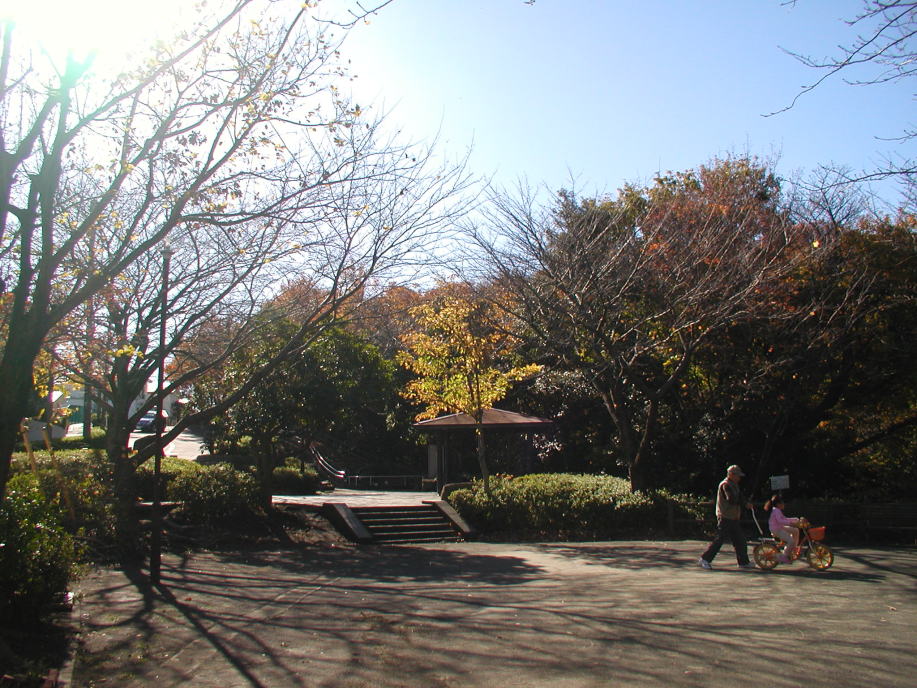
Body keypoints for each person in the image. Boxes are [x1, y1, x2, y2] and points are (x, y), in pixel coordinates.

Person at [698, 465, 755, 570]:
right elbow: (731, 499)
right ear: (731, 475)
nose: (739, 478)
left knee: (740, 540)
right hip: (725, 516)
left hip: (733, 517)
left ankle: (743, 562)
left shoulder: (735, 485)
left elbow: (740, 497)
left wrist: (746, 502)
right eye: (737, 476)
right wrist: (744, 504)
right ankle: (705, 559)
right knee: (719, 540)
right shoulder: (725, 485)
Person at [765, 494, 801, 563]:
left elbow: (784, 519)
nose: (784, 504)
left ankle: (793, 548)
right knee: (791, 541)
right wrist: (792, 523)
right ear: (778, 504)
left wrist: (794, 519)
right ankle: (784, 555)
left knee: (795, 530)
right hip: (776, 530)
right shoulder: (776, 510)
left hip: (780, 527)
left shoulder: (777, 510)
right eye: (783, 503)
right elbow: (780, 521)